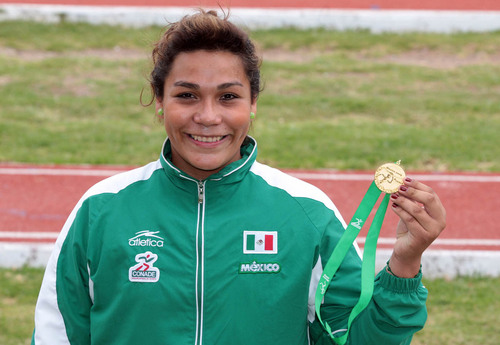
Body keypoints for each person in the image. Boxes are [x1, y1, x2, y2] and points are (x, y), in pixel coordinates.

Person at [31, 9, 446, 345]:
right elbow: (56, 335)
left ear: (253, 104)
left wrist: (405, 263)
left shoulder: (306, 214)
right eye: (186, 95)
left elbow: (354, 339)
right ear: (159, 101)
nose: (208, 117)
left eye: (228, 97)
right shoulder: (101, 209)